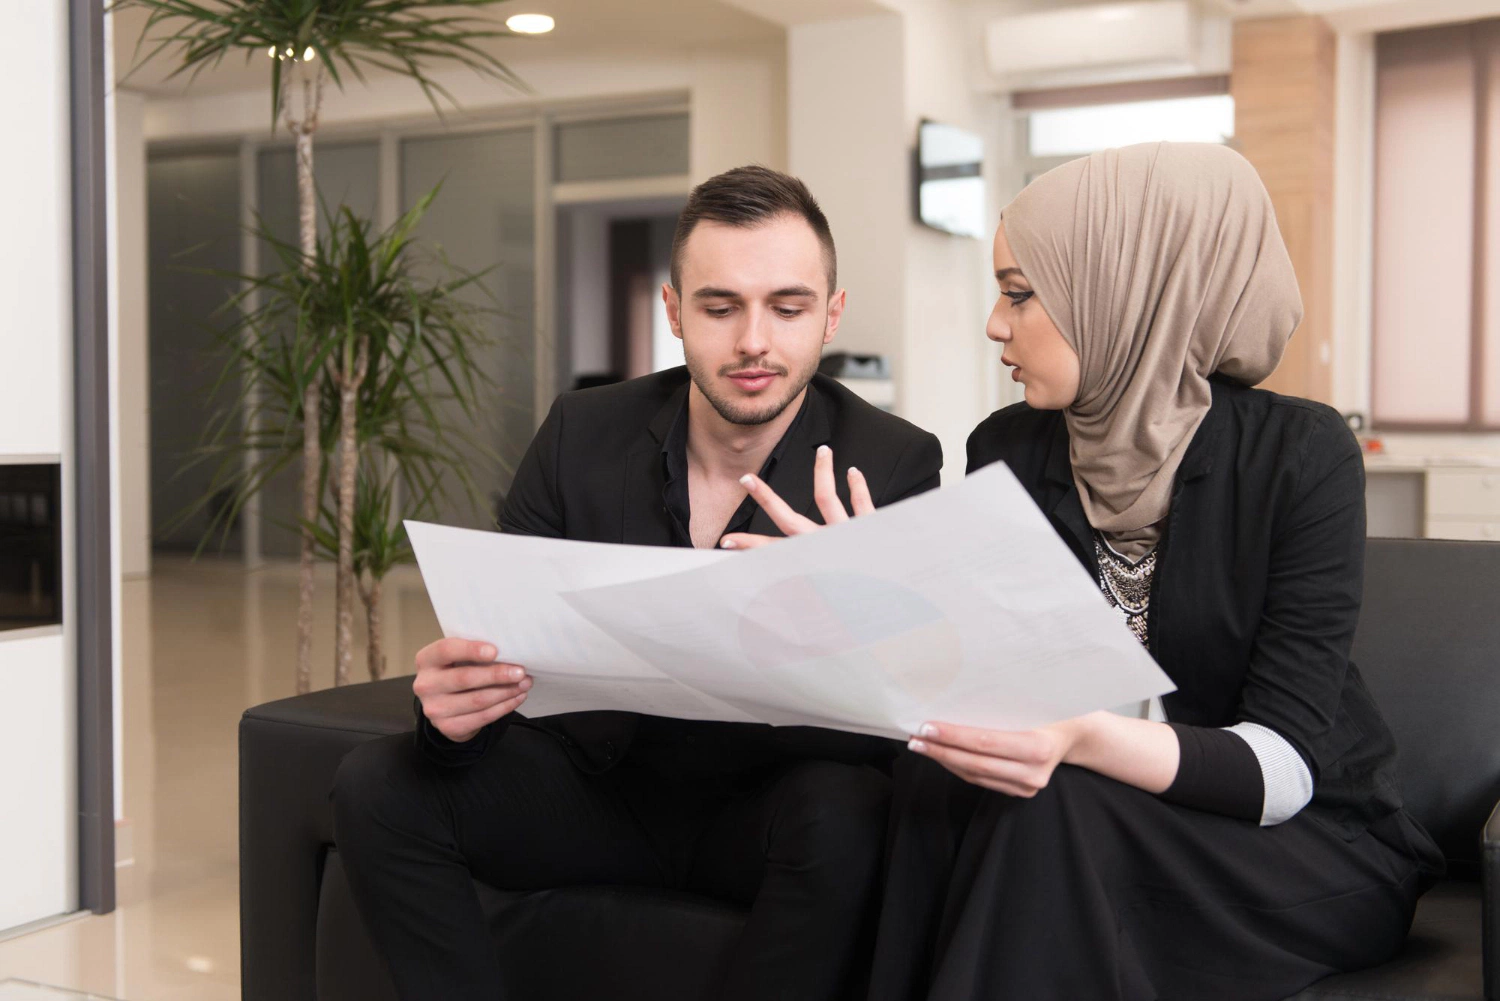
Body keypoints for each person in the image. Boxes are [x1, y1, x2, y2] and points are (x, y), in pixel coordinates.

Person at [724, 142, 1445, 1001]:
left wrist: (1079, 732)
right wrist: (885, 606)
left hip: (1299, 842)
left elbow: (1281, 771)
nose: (995, 322)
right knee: (938, 779)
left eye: (1021, 293)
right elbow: (1002, 677)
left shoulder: (1299, 455)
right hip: (1102, 815)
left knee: (1051, 805)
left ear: (1128, 293)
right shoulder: (1010, 448)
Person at [330, 165, 944, 1001]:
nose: (754, 341)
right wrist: (448, 711)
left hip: (765, 807)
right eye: (720, 307)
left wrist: (852, 613)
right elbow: (502, 643)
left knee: (848, 812)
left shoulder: (897, 461)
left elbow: (918, 710)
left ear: (831, 314)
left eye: (788, 307)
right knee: (377, 783)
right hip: (598, 786)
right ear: (673, 311)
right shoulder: (580, 432)